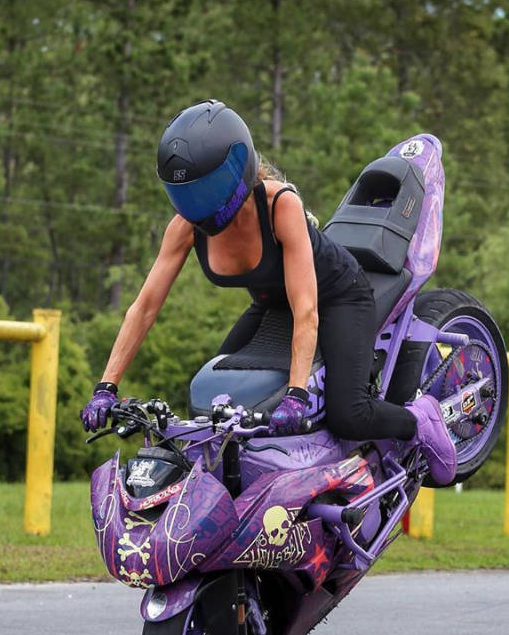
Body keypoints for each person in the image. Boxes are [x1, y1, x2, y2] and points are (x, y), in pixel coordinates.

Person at [80, 100, 456, 483]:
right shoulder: (186, 226)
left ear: (235, 170)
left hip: (337, 296)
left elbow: (307, 309)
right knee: (215, 404)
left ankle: (421, 420)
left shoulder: (279, 205)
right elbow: (144, 308)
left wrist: (296, 395)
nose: (197, 204)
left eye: (205, 188)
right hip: (271, 304)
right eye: (187, 193)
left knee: (349, 414)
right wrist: (106, 386)